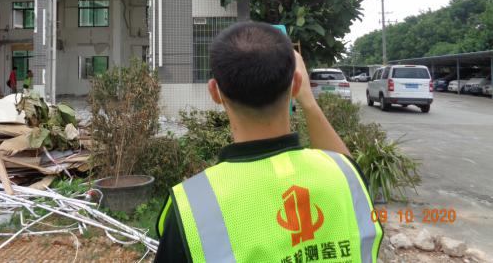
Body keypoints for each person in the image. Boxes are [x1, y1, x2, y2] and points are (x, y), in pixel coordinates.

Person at [154, 22, 382, 263]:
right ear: (296, 84)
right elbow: (348, 169)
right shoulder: (345, 177)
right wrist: (309, 104)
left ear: (214, 92)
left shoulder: (193, 207)